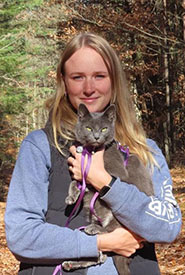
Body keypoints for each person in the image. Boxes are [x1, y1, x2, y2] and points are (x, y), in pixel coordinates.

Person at [5, 32, 181, 275]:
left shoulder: (145, 149)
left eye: (100, 76)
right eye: (77, 77)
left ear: (114, 80)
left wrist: (105, 183)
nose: (89, 88)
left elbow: (168, 227)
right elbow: (21, 235)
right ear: (64, 82)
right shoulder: (41, 146)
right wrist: (101, 243)